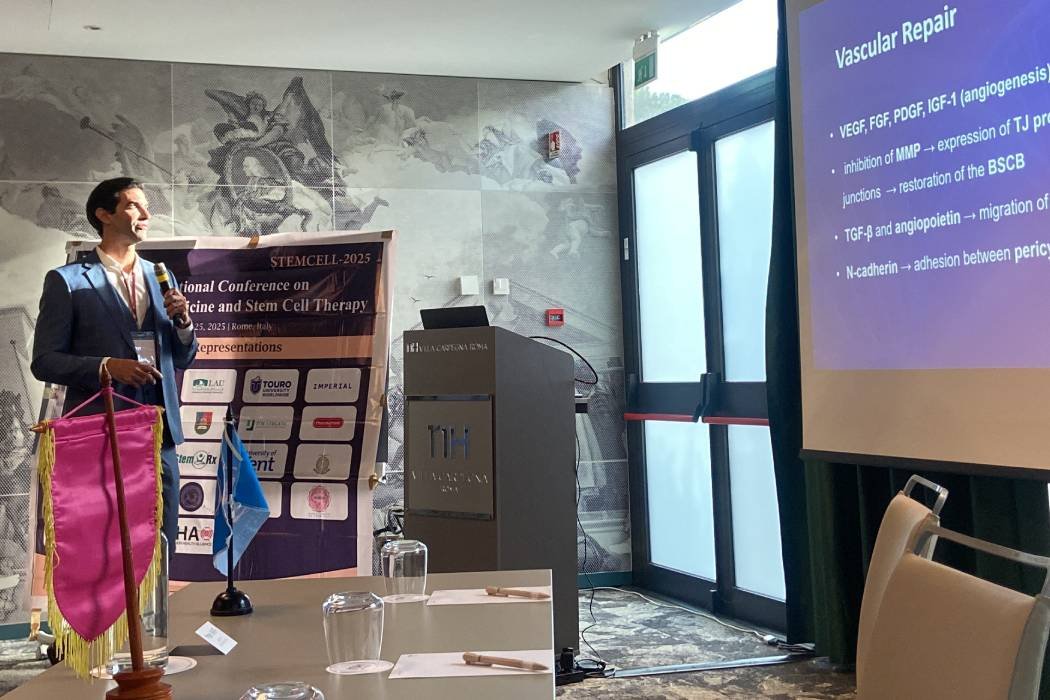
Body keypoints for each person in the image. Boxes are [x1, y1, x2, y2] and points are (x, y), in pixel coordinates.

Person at [31, 177, 197, 555]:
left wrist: (184, 323)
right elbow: (44, 361)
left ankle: (159, 596)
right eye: (133, 205)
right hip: (100, 433)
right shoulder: (67, 280)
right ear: (104, 215)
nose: (146, 214)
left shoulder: (160, 275)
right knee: (106, 545)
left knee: (161, 543)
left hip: (158, 433)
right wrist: (107, 367)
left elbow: (181, 356)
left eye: (146, 206)